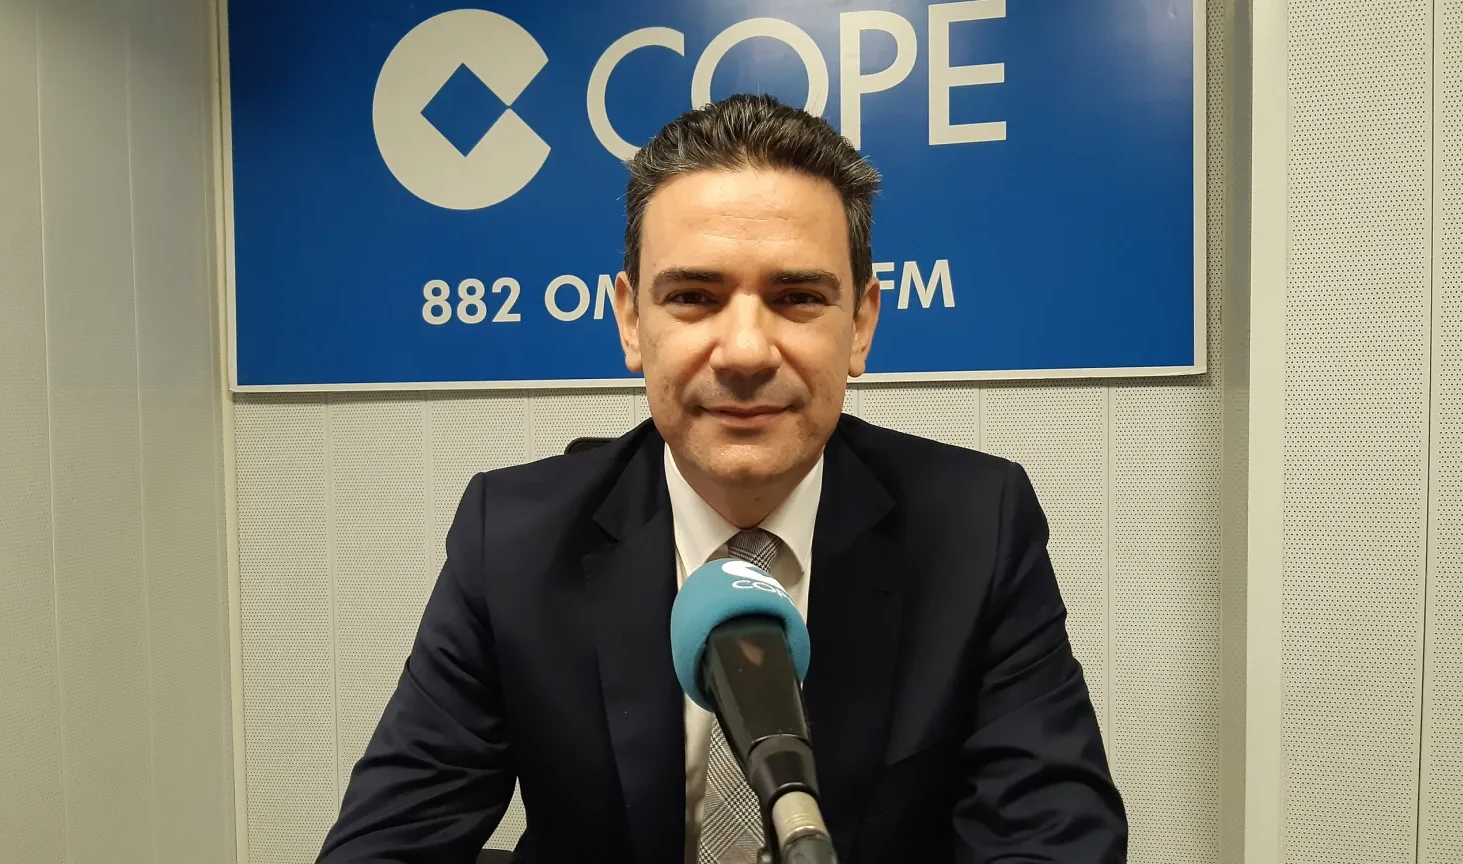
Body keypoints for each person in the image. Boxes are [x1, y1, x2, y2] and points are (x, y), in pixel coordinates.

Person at [317, 93, 1127, 863]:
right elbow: (387, 843)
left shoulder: (977, 528)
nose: (744, 352)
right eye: (695, 297)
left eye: (797, 296)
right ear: (632, 321)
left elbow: (1055, 838)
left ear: (861, 324)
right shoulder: (512, 542)